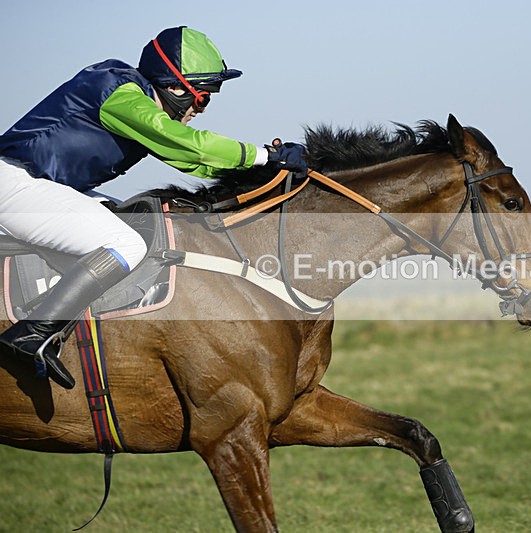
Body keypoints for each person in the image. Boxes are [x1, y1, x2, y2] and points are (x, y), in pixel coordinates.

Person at [0, 26, 307, 389]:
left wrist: (264, 166)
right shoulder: (120, 95)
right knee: (126, 244)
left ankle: (59, 334)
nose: (200, 108)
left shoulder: (137, 99)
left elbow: (194, 163)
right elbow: (191, 146)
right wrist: (263, 154)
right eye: (203, 97)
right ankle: (29, 336)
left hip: (41, 185)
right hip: (15, 182)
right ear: (175, 87)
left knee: (137, 220)